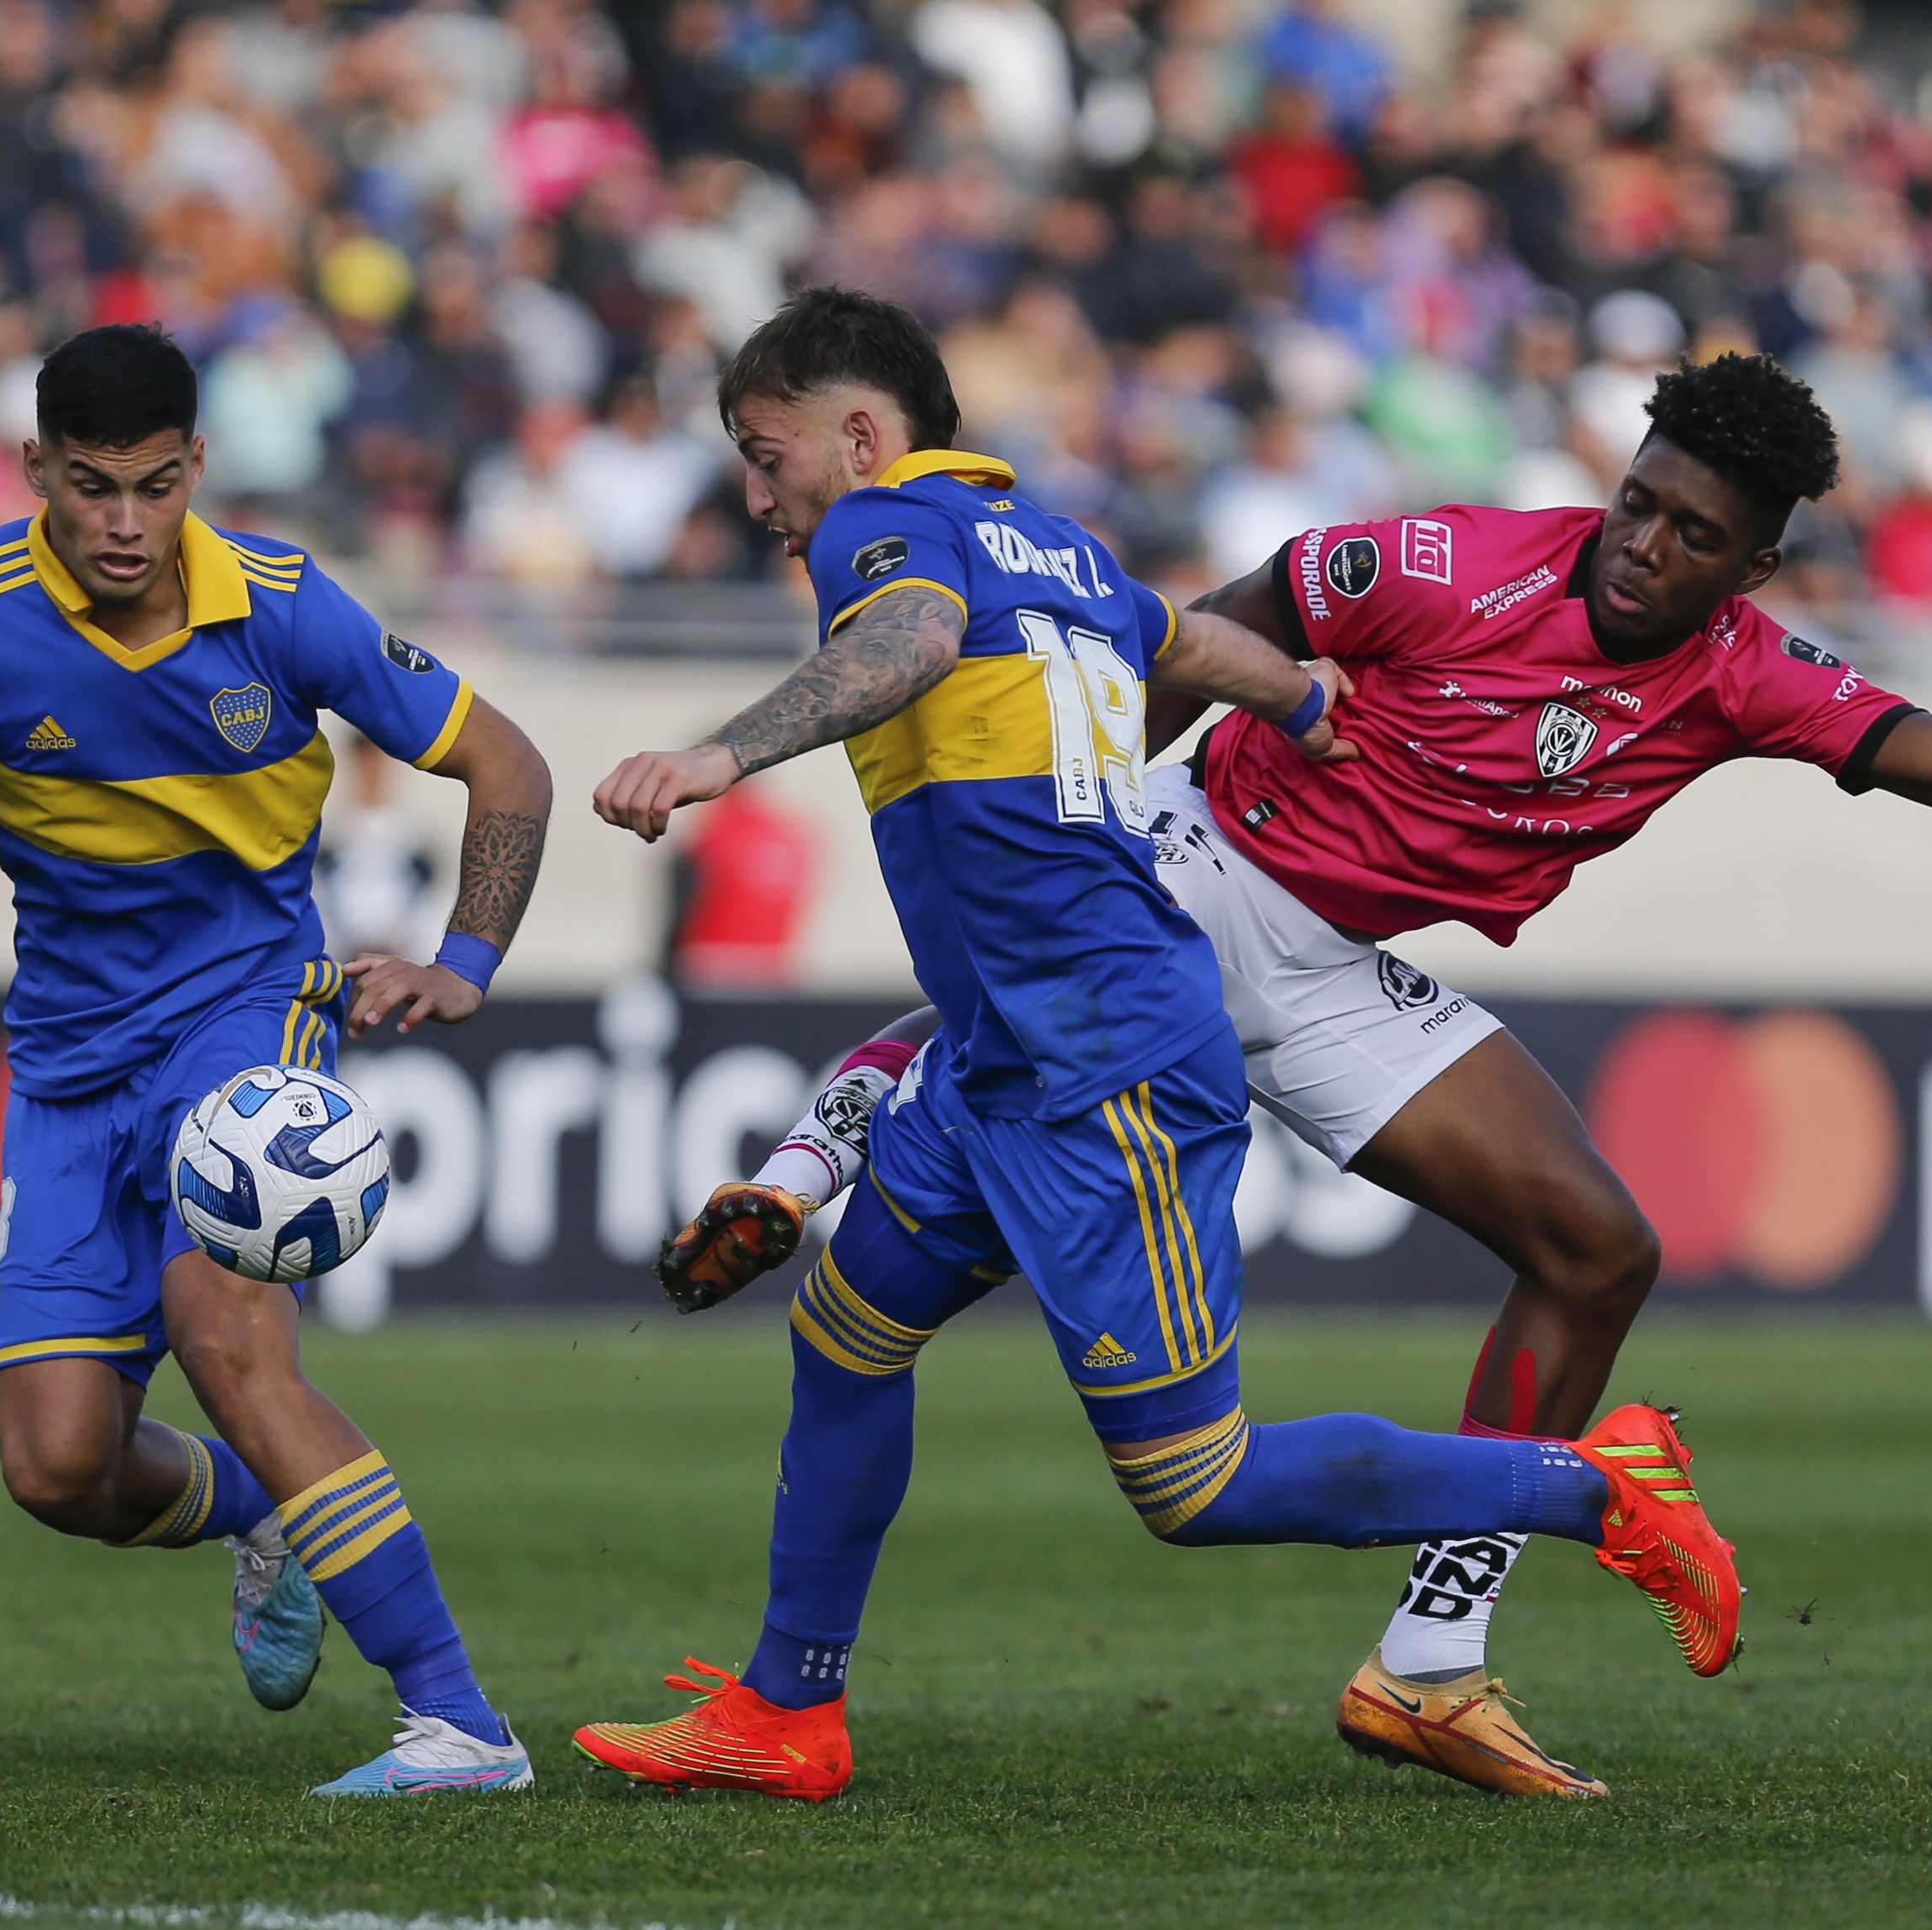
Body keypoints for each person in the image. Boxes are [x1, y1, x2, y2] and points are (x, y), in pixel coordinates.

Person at [666, 350, 1932, 1799]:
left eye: (1694, 535)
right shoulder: (1446, 561)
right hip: (1202, 866)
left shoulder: (1749, 677)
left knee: (1597, 1251)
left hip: (1326, 965)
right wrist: (1098, 840)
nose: (1643, 545)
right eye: (1637, 501)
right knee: (941, 1247)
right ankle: (815, 1183)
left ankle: (1431, 1662)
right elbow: (1198, 635)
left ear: (1752, 569)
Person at [576, 287, 1743, 1803]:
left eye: (763, 450)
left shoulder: (883, 530)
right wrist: (1307, 699)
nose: (756, 492)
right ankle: (786, 1712)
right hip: (1013, 1052)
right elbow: (1182, 637)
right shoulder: (1048, 541)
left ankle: (1596, 1487)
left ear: (859, 438)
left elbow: (918, 640)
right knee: (847, 1338)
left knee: (1194, 1486)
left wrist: (719, 755)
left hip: (1109, 1060)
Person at [0, 323, 555, 1798]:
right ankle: (263, 1509)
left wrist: (463, 960)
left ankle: (459, 1724)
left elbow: (509, 767)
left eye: (154, 488)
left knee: (232, 1350)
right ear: (36, 466)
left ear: (197, 469)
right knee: (55, 1466)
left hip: (247, 1021)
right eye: (90, 487)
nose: (121, 524)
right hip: (68, 1066)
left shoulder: (284, 607)